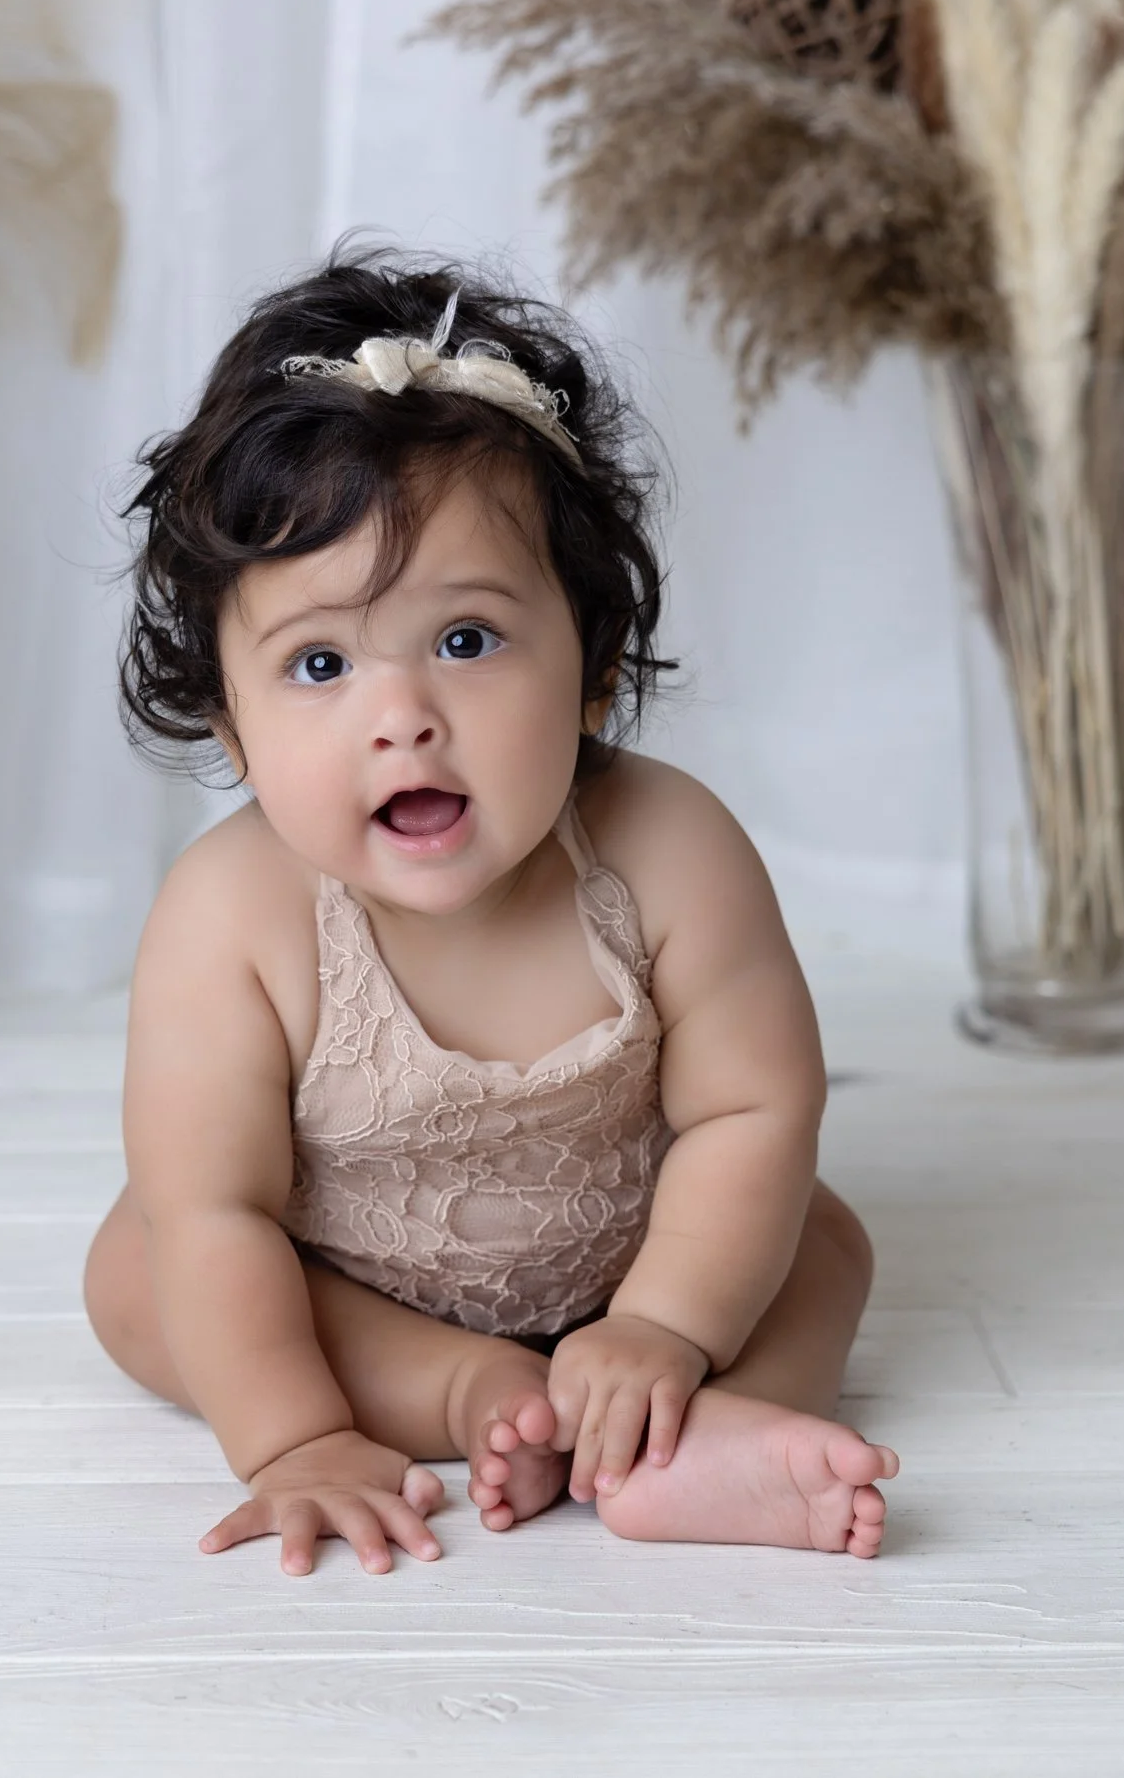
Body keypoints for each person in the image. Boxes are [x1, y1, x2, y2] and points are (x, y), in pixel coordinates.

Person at [84, 251, 897, 1576]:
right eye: (320, 663)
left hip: (645, 1263)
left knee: (823, 1240)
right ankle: (470, 1390)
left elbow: (753, 1110)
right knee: (141, 1267)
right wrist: (291, 1439)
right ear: (230, 723)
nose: (400, 712)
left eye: (467, 639)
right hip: (349, 1281)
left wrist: (672, 1322)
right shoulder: (229, 916)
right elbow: (219, 1210)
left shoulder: (672, 849)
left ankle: (702, 1418)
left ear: (594, 667)